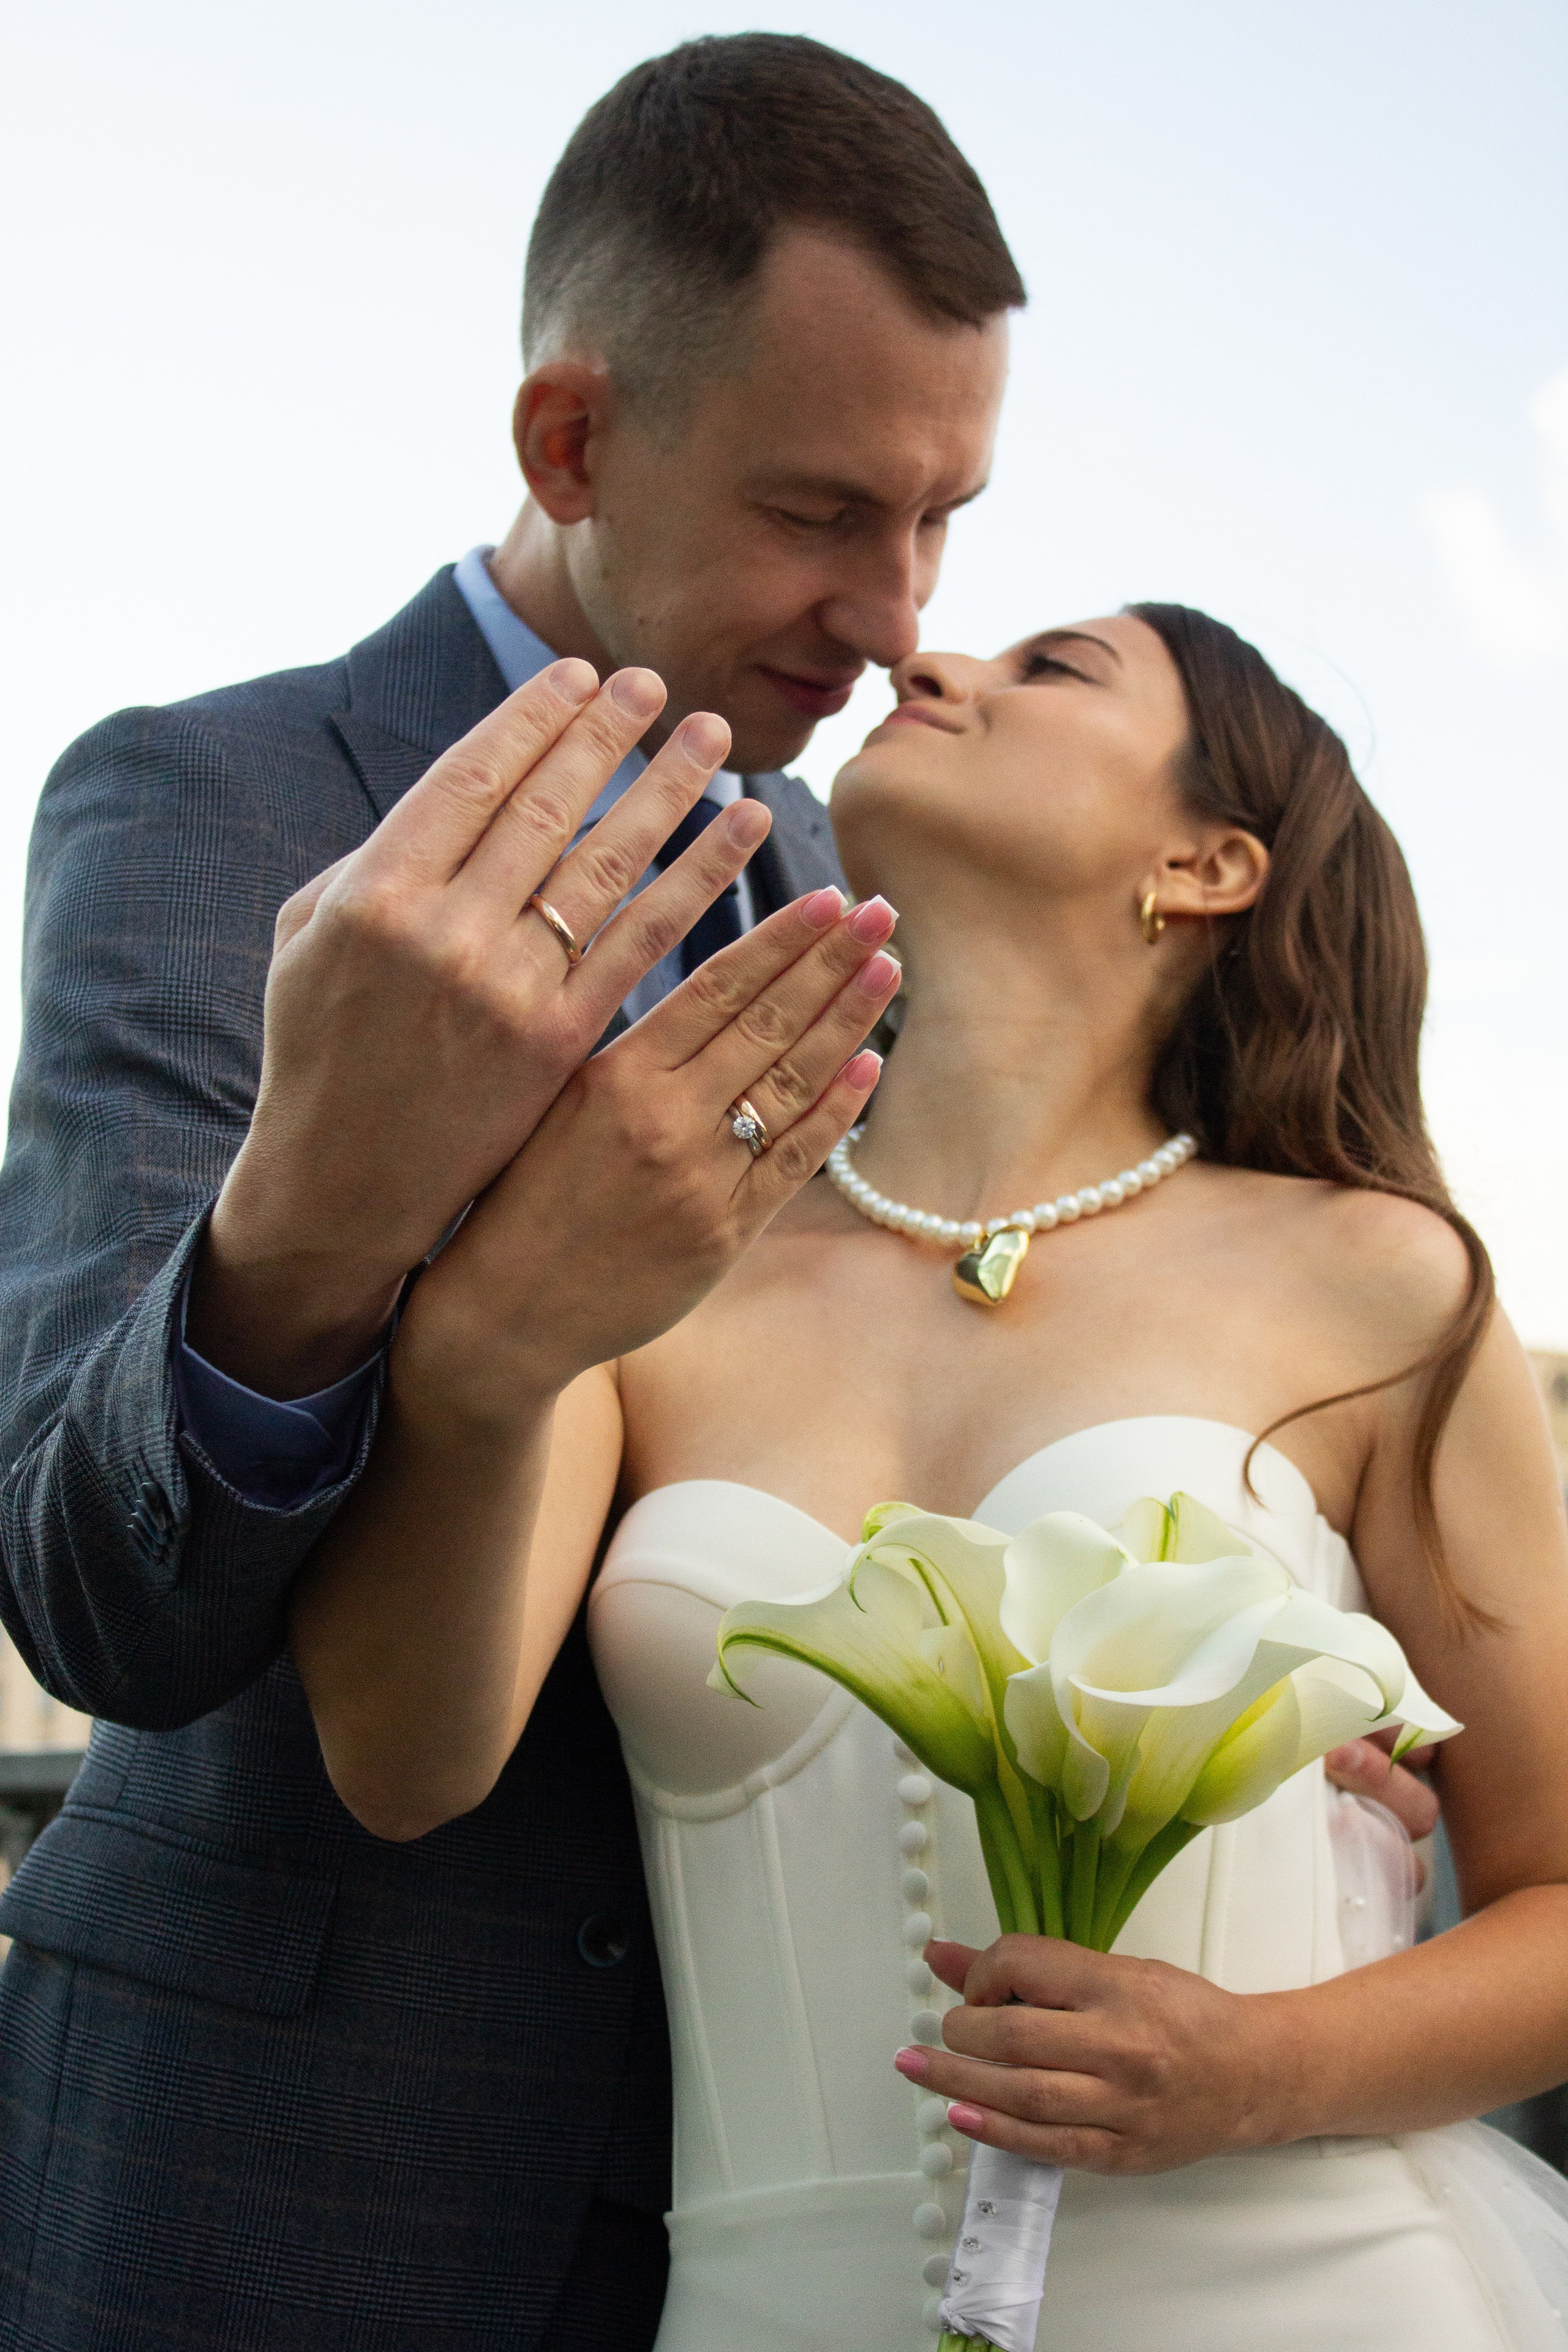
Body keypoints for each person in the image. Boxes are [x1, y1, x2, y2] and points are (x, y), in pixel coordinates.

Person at [0, 35, 1021, 2351]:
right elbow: (91, 1601)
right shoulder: (206, 800)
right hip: (278, 2176)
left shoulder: (870, 901)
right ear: (572, 437)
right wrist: (305, 1231)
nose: (900, 612)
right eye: (822, 509)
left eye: (943, 514)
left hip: (787, 2194)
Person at [305, 603, 1568, 2349]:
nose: (930, 663)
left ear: (1208, 863)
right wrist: (493, 1341)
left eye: (1051, 669)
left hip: (1298, 2289)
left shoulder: (1384, 1280)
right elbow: (402, 1761)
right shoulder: (654, 1257)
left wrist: (1266, 2068)